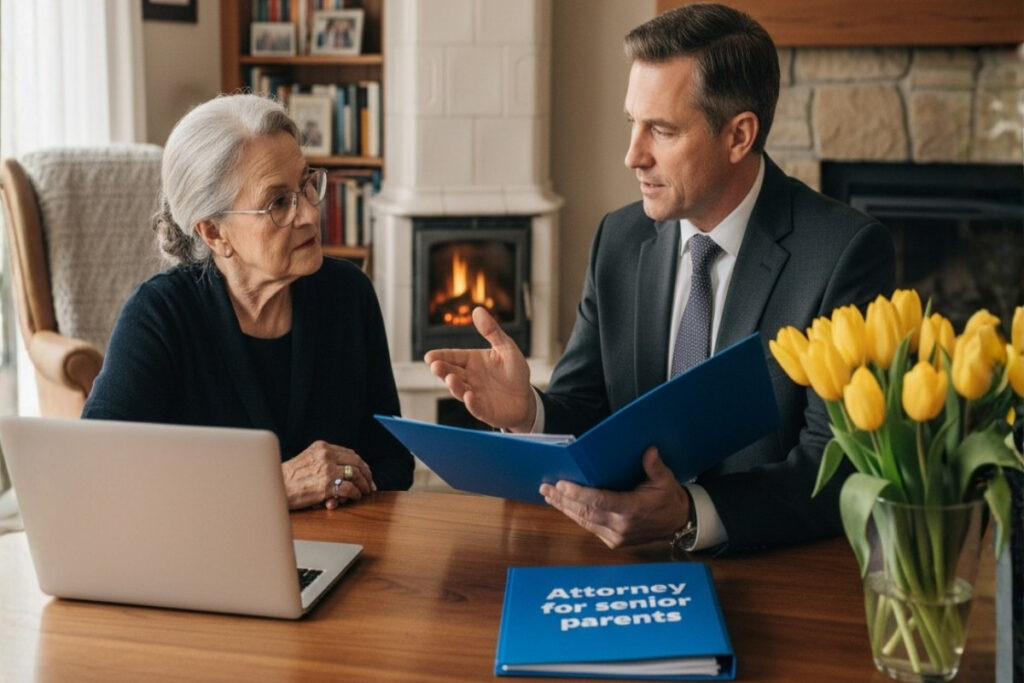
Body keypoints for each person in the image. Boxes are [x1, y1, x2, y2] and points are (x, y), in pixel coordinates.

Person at [425, 3, 895, 555]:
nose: (632, 156)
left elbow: (837, 462)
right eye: (632, 124)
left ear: (739, 135)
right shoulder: (618, 240)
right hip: (620, 562)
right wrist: (529, 410)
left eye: (662, 131)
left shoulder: (842, 253)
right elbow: (588, 404)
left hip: (774, 570)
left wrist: (691, 515)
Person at [83, 94, 414, 508]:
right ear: (214, 233)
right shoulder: (160, 316)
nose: (310, 213)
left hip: (345, 550)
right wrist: (275, 487)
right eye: (278, 202)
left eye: (307, 185)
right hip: (214, 558)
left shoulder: (349, 294)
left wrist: (342, 485)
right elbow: (98, 472)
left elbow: (394, 461)